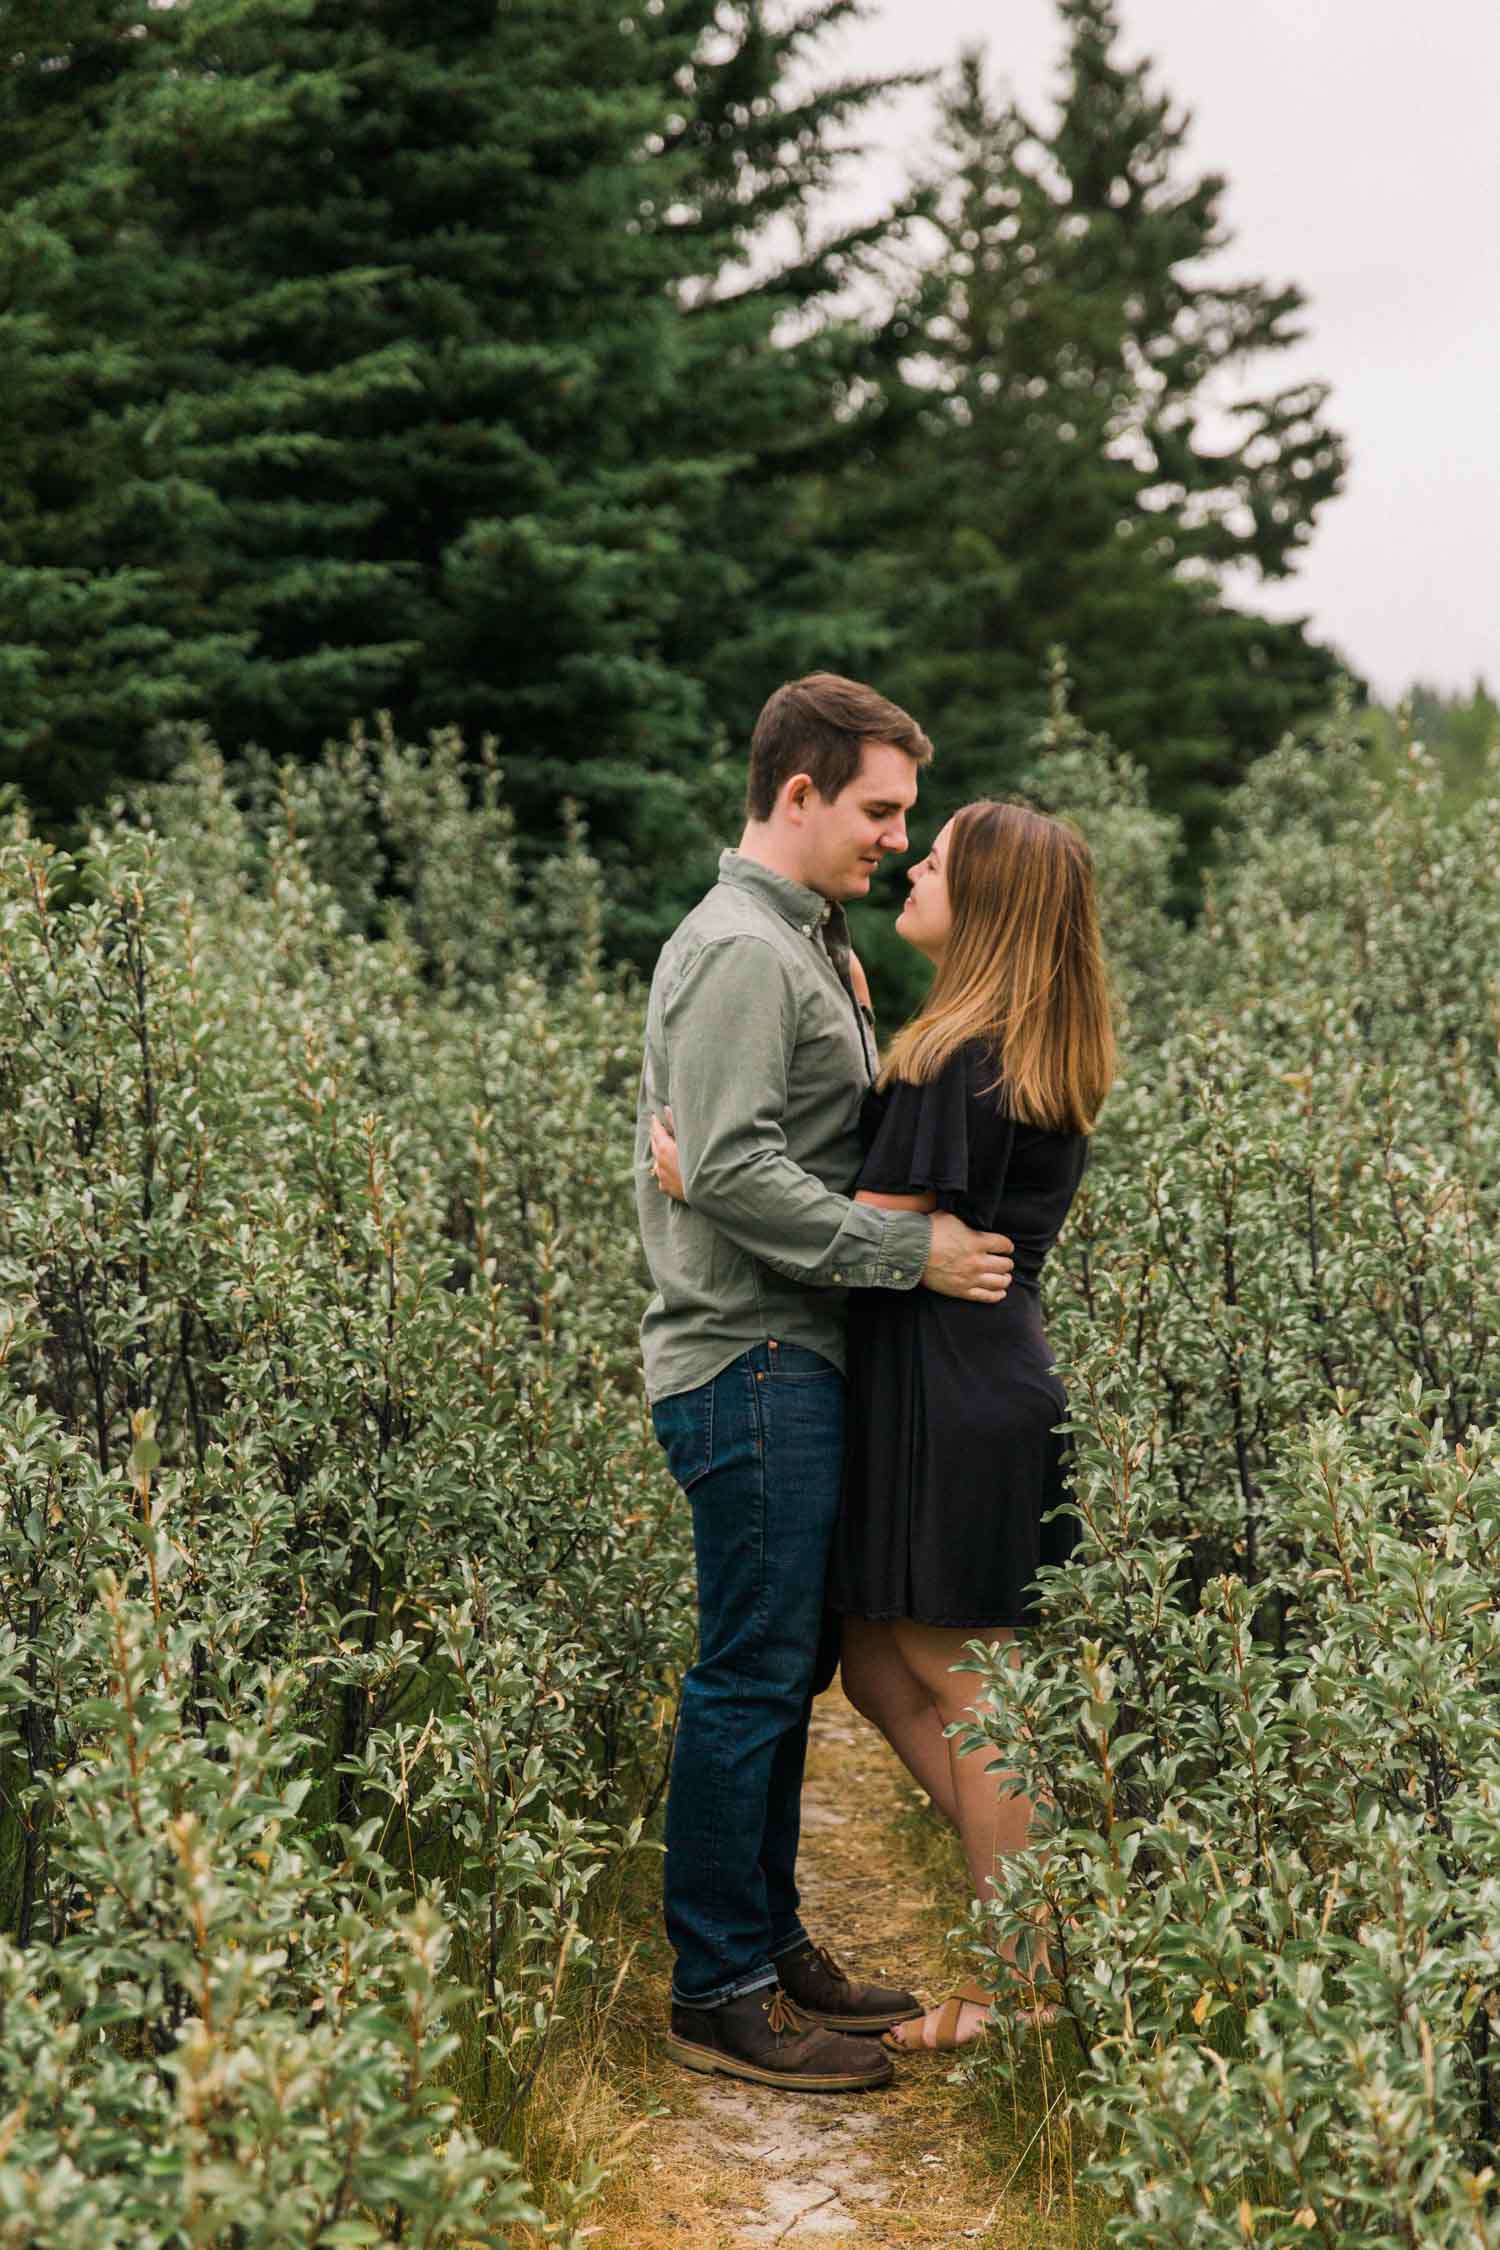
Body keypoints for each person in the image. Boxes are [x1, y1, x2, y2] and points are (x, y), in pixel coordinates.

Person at [655, 797, 1114, 2057]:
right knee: (872, 1667)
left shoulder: (962, 1057)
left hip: (956, 1395)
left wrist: (710, 1180)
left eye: (941, 857)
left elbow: (863, 1227)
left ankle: (1022, 1979)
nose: (912, 861)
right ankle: (1025, 1917)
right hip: (946, 1380)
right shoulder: (984, 1041)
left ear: (994, 906)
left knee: (971, 1690)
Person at [634, 674, 1018, 2096]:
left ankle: (768, 1937)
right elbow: (729, 1168)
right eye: (878, 808)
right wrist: (908, 1252)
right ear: (797, 793)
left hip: (791, 1355)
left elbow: (755, 1147)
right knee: (749, 1671)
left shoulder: (805, 943)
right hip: (749, 1359)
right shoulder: (743, 949)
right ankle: (718, 1989)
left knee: (784, 1669)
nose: (893, 835)